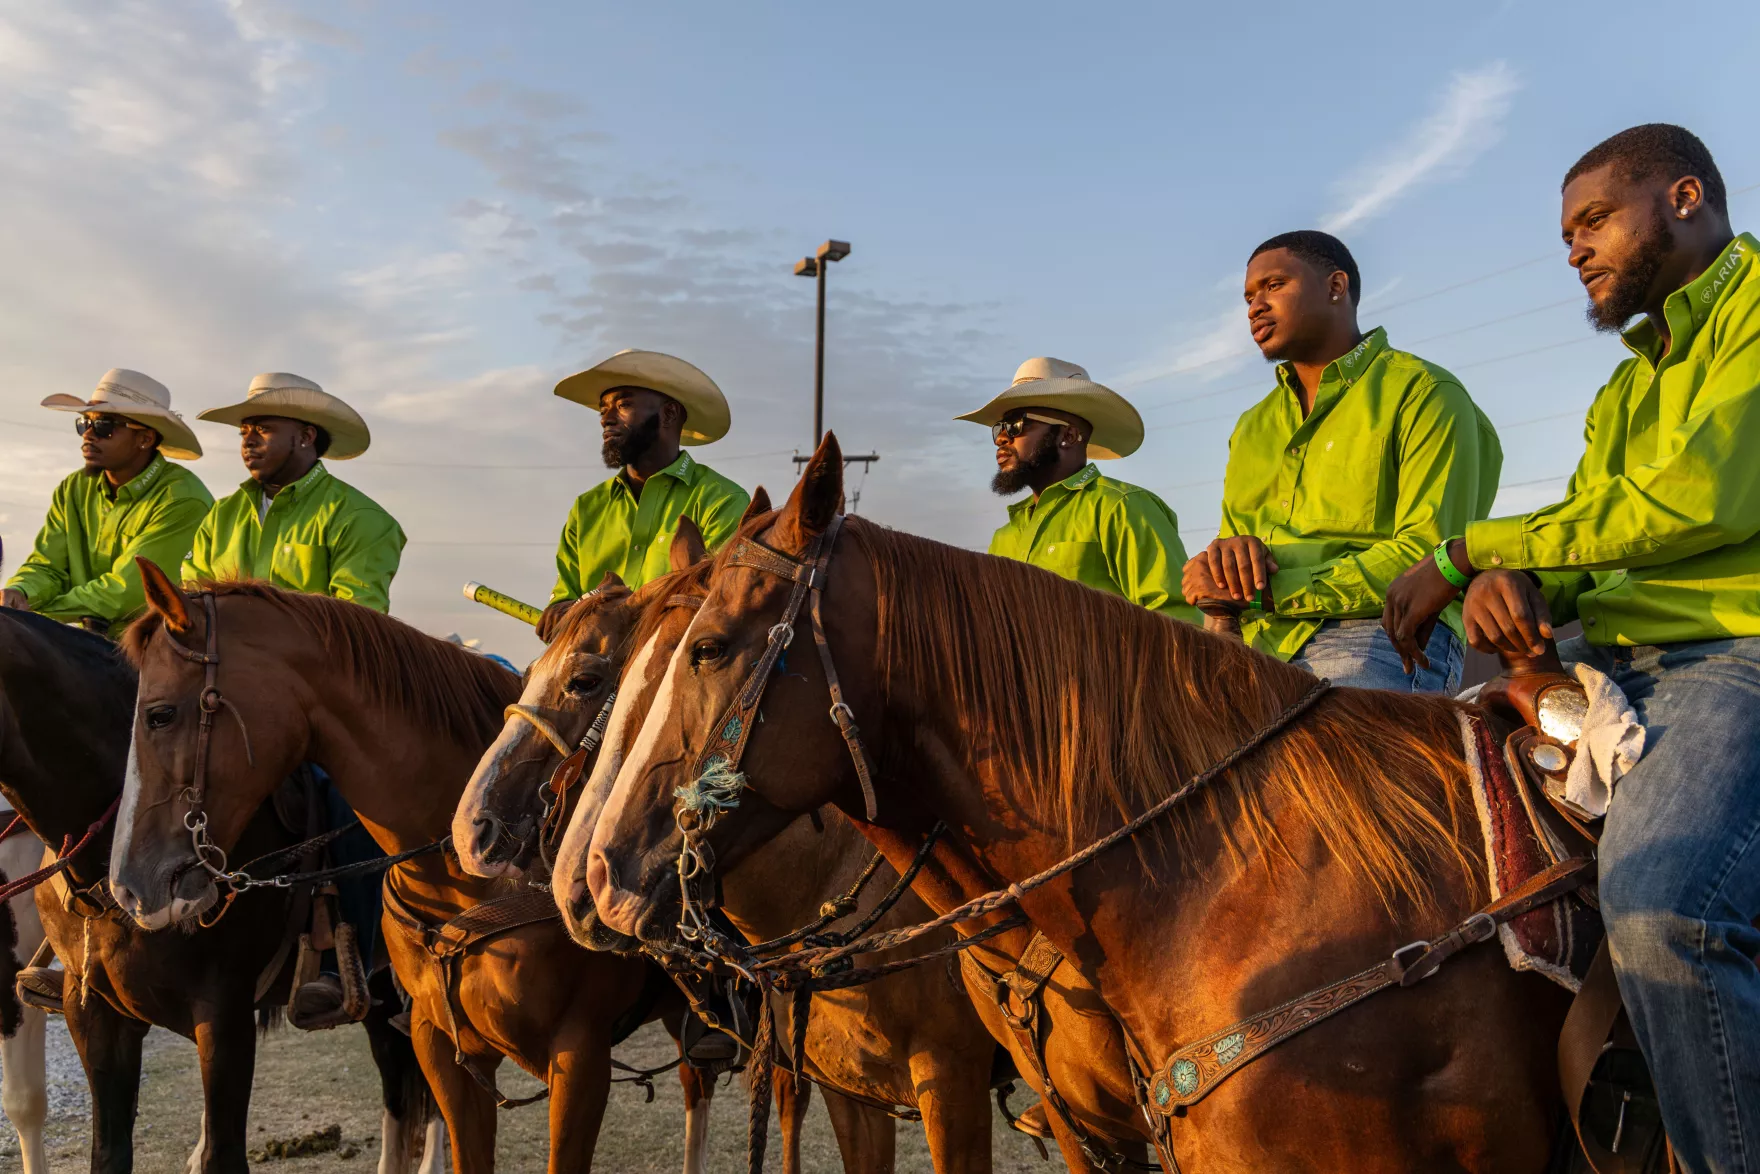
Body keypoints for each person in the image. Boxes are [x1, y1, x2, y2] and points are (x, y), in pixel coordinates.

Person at [1383, 124, 1758, 1170]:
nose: (1573, 251)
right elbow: (1597, 532)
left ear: (1682, 197)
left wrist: (1469, 550)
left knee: (1662, 911)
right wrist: (1523, 586)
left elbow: (1699, 501)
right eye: (1563, 236)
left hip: (1734, 650)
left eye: (1592, 220)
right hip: (1617, 656)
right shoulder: (1625, 384)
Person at [1182, 231, 1501, 692]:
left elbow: (1428, 555)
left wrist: (1275, 592)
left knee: (1314, 755)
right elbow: (1234, 544)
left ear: (1336, 287)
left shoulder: (1424, 391)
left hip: (1380, 632)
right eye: (1249, 296)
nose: (1255, 306)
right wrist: (1217, 565)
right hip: (1254, 638)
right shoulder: (1252, 427)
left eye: (1274, 285)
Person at [185, 372, 405, 1029]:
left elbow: (353, 621)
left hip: (323, 703)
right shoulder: (220, 516)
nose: (247, 439)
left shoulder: (364, 519)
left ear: (306, 436)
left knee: (351, 798)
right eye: (244, 429)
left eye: (262, 427)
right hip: (226, 702)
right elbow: (194, 605)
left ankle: (357, 962)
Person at [956, 357, 1199, 623]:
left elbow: (1177, 622)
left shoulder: (1122, 507)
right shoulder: (1003, 538)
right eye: (999, 428)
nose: (1002, 438)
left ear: (1068, 436)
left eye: (1017, 425)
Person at [536, 349, 751, 642]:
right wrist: (559, 612)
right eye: (603, 410)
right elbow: (564, 598)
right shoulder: (587, 508)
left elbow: (724, 606)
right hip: (589, 678)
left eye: (623, 404)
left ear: (669, 414)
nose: (606, 419)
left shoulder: (722, 500)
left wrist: (622, 613)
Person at [3, 369, 212, 632]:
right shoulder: (73, 489)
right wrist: (20, 591)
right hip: (82, 646)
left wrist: (35, 614)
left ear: (145, 439)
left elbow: (127, 594)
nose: (88, 435)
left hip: (152, 651)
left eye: (104, 426)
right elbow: (48, 566)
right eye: (84, 424)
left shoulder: (183, 499)